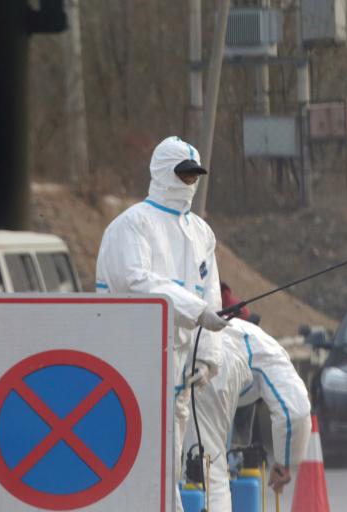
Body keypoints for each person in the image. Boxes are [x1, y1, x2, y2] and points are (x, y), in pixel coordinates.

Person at [95, 136, 227, 511]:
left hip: (179, 372)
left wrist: (207, 357)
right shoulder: (132, 226)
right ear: (161, 173)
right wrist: (194, 309)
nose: (189, 182)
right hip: (130, 365)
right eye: (182, 174)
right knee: (134, 462)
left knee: (168, 465)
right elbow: (137, 281)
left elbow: (211, 295)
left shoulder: (201, 232)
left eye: (194, 175)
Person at [184, 317, 311, 511]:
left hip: (178, 349)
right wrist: (284, 463)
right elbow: (295, 410)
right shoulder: (270, 353)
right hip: (214, 369)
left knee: (175, 471)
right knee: (210, 474)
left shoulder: (247, 335)